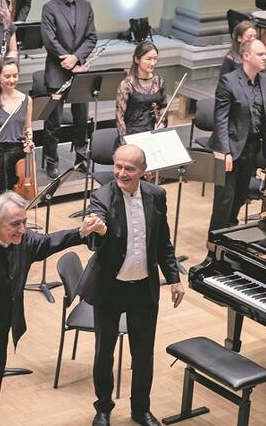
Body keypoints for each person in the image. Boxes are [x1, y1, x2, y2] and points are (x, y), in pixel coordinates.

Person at [0, 191, 103, 425]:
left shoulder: (20, 241)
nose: (23, 229)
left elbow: (47, 242)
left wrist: (81, 232)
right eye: (15, 224)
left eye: (24, 221)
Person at [78, 144, 185, 426]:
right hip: (110, 288)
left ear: (143, 171)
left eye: (129, 168)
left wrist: (174, 278)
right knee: (104, 352)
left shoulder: (156, 195)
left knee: (143, 353)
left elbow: (163, 241)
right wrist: (97, 230)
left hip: (142, 288)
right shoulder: (101, 196)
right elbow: (94, 235)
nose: (121, 173)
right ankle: (103, 407)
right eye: (118, 167)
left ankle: (141, 409)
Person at [207, 39, 266, 233]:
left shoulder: (265, 80)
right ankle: (214, 242)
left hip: (251, 147)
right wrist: (224, 151)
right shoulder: (229, 81)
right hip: (231, 148)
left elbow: (262, 113)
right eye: (260, 54)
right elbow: (221, 119)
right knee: (225, 199)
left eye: (265, 54)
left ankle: (230, 231)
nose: (265, 57)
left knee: (241, 195)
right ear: (246, 56)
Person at [41, 0, 98, 178]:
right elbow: (49, 39)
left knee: (81, 119)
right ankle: (51, 162)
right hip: (57, 71)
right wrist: (66, 58)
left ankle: (82, 159)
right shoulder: (49, 7)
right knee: (53, 122)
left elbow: (91, 36)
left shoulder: (86, 6)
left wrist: (77, 58)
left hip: (79, 70)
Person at [0, 57, 33, 193]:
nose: (12, 80)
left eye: (15, 76)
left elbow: (27, 127)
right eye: (7, 76)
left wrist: (30, 140)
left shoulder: (26, 100)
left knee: (17, 197)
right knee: (0, 200)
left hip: (19, 155)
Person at [115, 41, 166, 144]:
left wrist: (162, 123)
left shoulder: (159, 82)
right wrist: (125, 142)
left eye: (155, 59)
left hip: (154, 134)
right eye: (148, 59)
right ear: (137, 59)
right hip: (133, 136)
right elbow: (119, 117)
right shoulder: (126, 85)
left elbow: (163, 107)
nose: (152, 63)